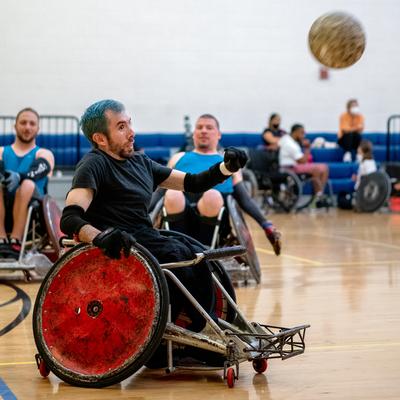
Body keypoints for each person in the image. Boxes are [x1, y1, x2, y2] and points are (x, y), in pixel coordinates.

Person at [60, 99, 247, 332]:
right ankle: (201, 327)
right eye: (121, 127)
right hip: (120, 245)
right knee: (179, 254)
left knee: (196, 254)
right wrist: (101, 237)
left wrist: (226, 167)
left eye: (130, 124)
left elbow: (194, 182)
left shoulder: (140, 162)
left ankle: (204, 323)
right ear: (100, 139)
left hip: (145, 237)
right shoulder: (93, 165)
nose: (131, 133)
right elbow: (70, 219)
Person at [161, 114, 281, 255]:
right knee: (172, 193)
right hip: (179, 215)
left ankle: (204, 250)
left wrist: (266, 224)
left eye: (209, 127)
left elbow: (244, 199)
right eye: (199, 127)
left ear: (218, 135)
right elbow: (158, 193)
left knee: (212, 195)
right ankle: (178, 250)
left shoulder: (229, 164)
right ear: (193, 134)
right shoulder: (178, 158)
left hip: (216, 219)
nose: (203, 131)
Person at [0, 108, 55, 258]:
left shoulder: (44, 153)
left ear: (38, 128)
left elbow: (40, 169)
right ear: (15, 126)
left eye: (32, 123)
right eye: (23, 123)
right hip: (4, 209)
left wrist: (19, 176)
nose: (27, 127)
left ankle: (15, 240)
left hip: (33, 217)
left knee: (28, 184)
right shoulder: (1, 151)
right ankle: (2, 238)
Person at [279, 124, 330, 207]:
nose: (303, 136)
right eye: (301, 133)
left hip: (293, 166)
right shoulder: (290, 144)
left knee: (324, 168)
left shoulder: (287, 139)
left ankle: (319, 194)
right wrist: (307, 148)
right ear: (295, 132)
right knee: (316, 169)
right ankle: (319, 196)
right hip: (289, 168)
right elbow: (302, 161)